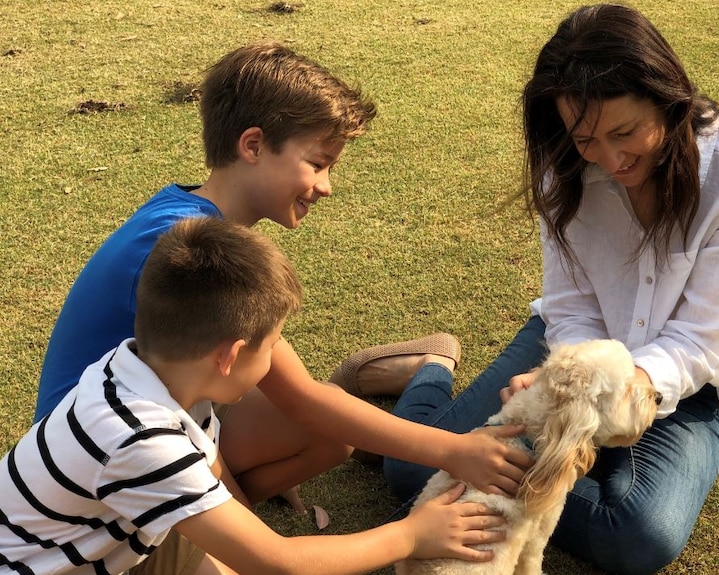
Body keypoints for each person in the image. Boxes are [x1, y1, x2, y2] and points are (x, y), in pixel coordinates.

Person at [32, 42, 531, 569]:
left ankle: (219, 506)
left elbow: (300, 401)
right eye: (317, 163)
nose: (327, 186)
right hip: (102, 458)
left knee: (329, 432)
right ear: (253, 145)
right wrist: (450, 455)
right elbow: (285, 406)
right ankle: (212, 511)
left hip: (163, 411)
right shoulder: (182, 248)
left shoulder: (201, 226)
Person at [383, 4, 719, 574]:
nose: (611, 158)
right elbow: (570, 307)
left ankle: (552, 467)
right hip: (570, 359)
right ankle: (428, 367)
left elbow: (702, 336)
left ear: (668, 97)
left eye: (624, 132)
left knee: (640, 536)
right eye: (587, 139)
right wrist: (559, 389)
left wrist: (616, 395)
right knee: (407, 468)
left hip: (678, 382)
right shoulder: (564, 168)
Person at [0, 216, 509, 575]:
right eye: (271, 346)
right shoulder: (140, 441)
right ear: (230, 356)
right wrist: (412, 535)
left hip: (116, 541)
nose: (274, 359)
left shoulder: (146, 370)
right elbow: (279, 562)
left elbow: (208, 466)